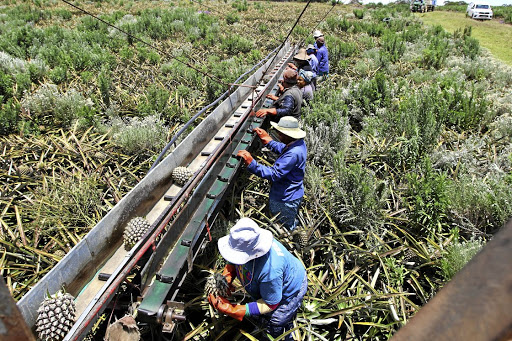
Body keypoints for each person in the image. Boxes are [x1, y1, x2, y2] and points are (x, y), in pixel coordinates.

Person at [208, 217, 308, 341]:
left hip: (290, 290)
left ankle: (276, 333)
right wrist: (227, 277)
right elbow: (235, 258)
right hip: (270, 286)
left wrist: (238, 310)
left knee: (277, 319)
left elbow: (271, 304)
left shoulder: (271, 271)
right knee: (262, 303)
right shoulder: (249, 245)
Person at [236, 116, 306, 231]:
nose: (278, 135)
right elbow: (284, 149)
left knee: (282, 226)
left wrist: (251, 163)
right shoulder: (298, 144)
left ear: (288, 135)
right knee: (288, 218)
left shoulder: (293, 154)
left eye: (280, 133)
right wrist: (269, 142)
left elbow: (274, 174)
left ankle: (290, 238)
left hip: (285, 198)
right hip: (293, 192)